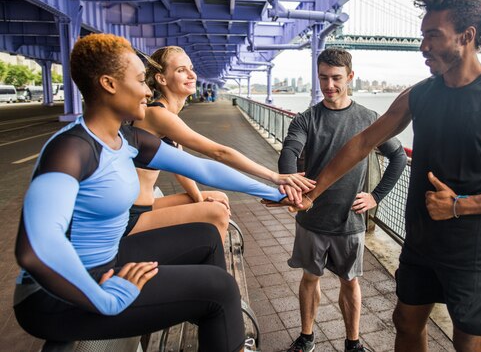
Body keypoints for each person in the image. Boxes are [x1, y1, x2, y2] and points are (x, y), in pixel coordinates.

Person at [284, 0, 481, 352]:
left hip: (473, 251)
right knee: (405, 321)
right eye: (422, 35)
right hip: (420, 241)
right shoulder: (419, 94)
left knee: (466, 338)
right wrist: (313, 193)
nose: (423, 46)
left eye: (433, 35)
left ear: (467, 35)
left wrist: (462, 205)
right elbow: (364, 142)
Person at [13, 33, 298, 352]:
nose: (148, 90)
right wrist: (105, 300)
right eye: (139, 80)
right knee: (220, 289)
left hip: (108, 262)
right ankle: (217, 315)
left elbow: (205, 169)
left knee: (205, 237)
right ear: (109, 84)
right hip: (57, 296)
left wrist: (276, 192)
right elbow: (35, 250)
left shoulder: (128, 139)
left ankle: (218, 323)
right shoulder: (71, 149)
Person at [277, 48, 407, 352]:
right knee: (310, 278)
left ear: (350, 77)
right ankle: (307, 337)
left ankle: (353, 343)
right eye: (323, 78)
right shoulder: (307, 118)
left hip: (350, 220)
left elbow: (398, 157)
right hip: (311, 218)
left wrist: (375, 196)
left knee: (350, 283)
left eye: (336, 78)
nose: (329, 85)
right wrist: (292, 189)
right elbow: (289, 153)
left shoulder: (369, 119)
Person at [123, 45, 314, 241]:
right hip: (131, 214)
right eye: (181, 70)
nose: (191, 75)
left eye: (191, 68)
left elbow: (181, 169)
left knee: (219, 198)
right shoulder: (158, 115)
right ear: (161, 79)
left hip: (144, 204)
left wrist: (198, 199)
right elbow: (218, 153)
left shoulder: (165, 114)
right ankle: (211, 263)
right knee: (216, 212)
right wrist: (275, 178)